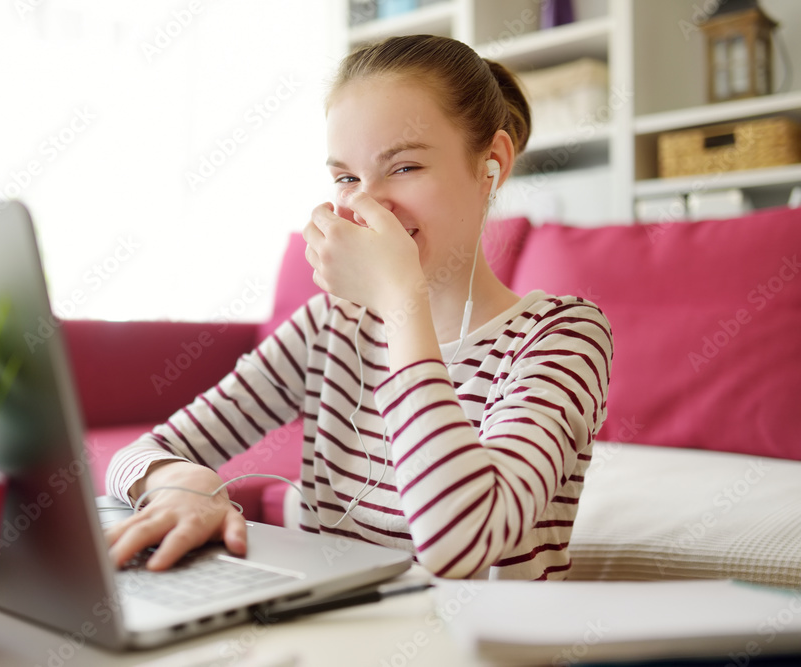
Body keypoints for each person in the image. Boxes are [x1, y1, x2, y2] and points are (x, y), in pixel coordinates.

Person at [105, 34, 613, 580]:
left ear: (492, 164)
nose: (368, 205)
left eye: (404, 167)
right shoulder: (329, 328)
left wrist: (401, 302)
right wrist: (182, 484)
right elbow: (139, 455)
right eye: (347, 178)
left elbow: (460, 542)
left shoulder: (563, 336)